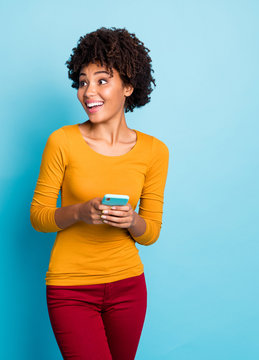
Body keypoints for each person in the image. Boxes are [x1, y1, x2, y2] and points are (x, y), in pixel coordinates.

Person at [29, 27, 170, 360]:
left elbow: (150, 233)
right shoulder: (61, 142)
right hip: (70, 288)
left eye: (102, 80)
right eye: (82, 82)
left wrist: (131, 220)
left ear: (129, 86)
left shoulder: (155, 151)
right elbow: (39, 217)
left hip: (129, 287)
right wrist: (78, 212)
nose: (88, 91)